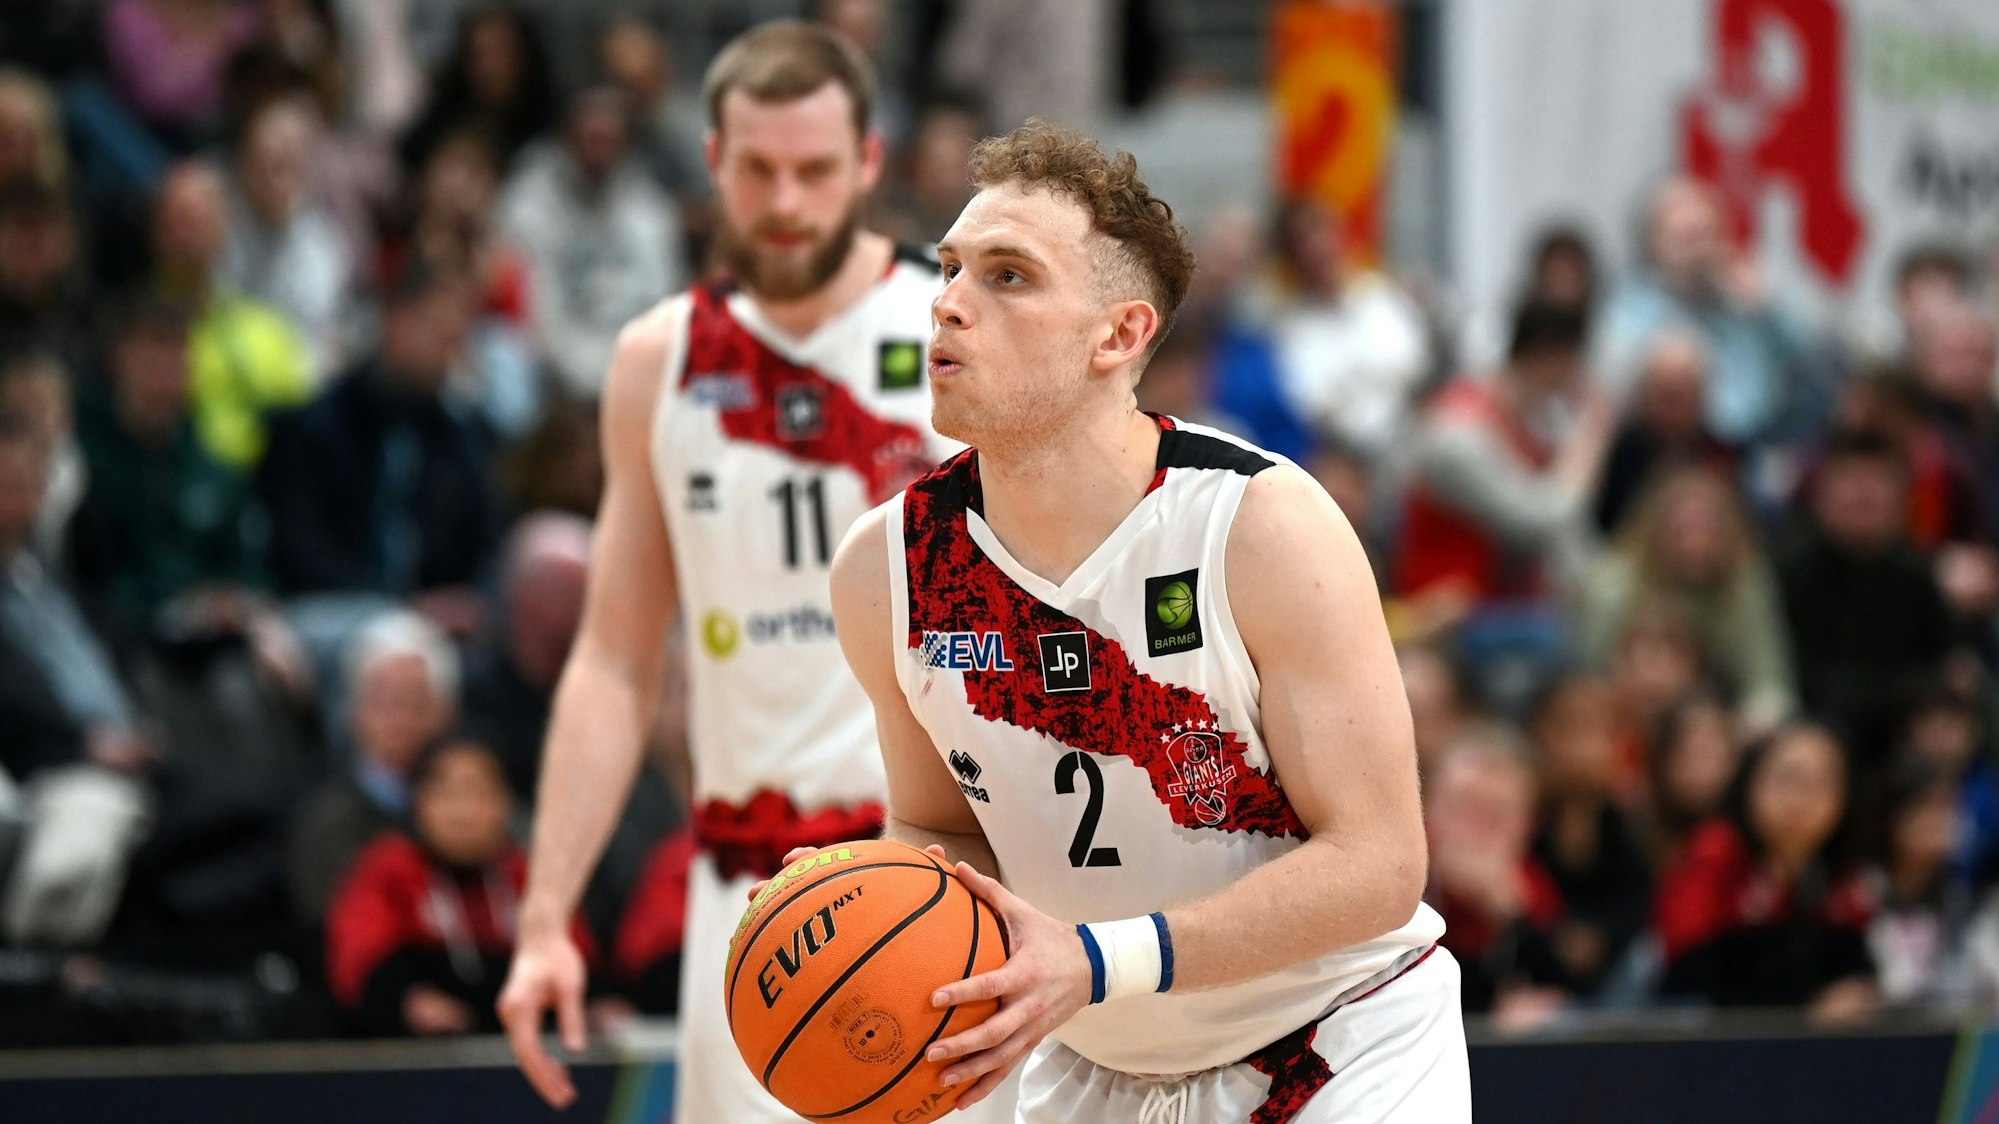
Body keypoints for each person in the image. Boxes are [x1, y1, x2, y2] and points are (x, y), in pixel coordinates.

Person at [824, 122, 1466, 1121]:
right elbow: (944, 827)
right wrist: (874, 900)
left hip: (1339, 1040)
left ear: (1118, 336)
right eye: (948, 268)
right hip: (1092, 1062)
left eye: (1006, 276)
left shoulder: (1259, 525)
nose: (946, 301)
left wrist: (1096, 959)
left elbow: (1379, 864)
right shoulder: (888, 568)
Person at [496, 23, 970, 1122]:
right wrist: (545, 916)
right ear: (712, 163)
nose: (786, 201)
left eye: (814, 169)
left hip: (929, 882)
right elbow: (614, 662)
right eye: (758, 169)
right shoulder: (656, 360)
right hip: (747, 896)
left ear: (869, 163)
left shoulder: (952, 328)